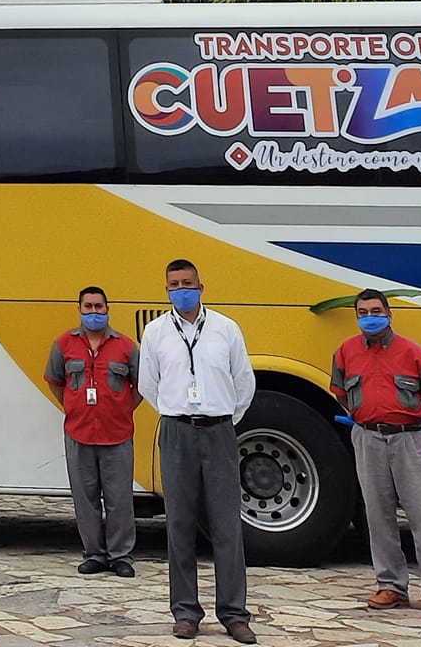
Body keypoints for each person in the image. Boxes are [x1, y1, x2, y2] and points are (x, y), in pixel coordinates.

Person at [138, 259, 257, 644]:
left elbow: (244, 382)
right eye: (174, 284)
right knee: (179, 524)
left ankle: (234, 614)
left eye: (187, 283)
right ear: (166, 290)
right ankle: (186, 612)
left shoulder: (226, 328)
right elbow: (148, 384)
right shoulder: (156, 332)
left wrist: (223, 418)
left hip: (219, 431)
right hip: (177, 432)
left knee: (226, 524)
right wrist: (178, 412)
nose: (182, 290)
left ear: (201, 287)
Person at [331, 289, 421, 616]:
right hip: (367, 438)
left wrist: (410, 424)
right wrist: (364, 417)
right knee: (378, 515)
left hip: (409, 440)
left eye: (376, 311)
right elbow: (340, 393)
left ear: (389, 314)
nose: (369, 318)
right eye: (363, 312)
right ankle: (390, 586)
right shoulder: (345, 352)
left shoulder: (414, 353)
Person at [43, 285, 139, 577]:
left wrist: (122, 409)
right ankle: (94, 554)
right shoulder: (63, 344)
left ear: (108, 309)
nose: (94, 312)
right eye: (88, 307)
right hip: (79, 433)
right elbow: (54, 381)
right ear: (80, 309)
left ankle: (121, 556)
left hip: (117, 434)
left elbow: (141, 386)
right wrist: (73, 408)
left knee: (119, 499)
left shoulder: (126, 346)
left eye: (99, 307)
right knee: (85, 499)